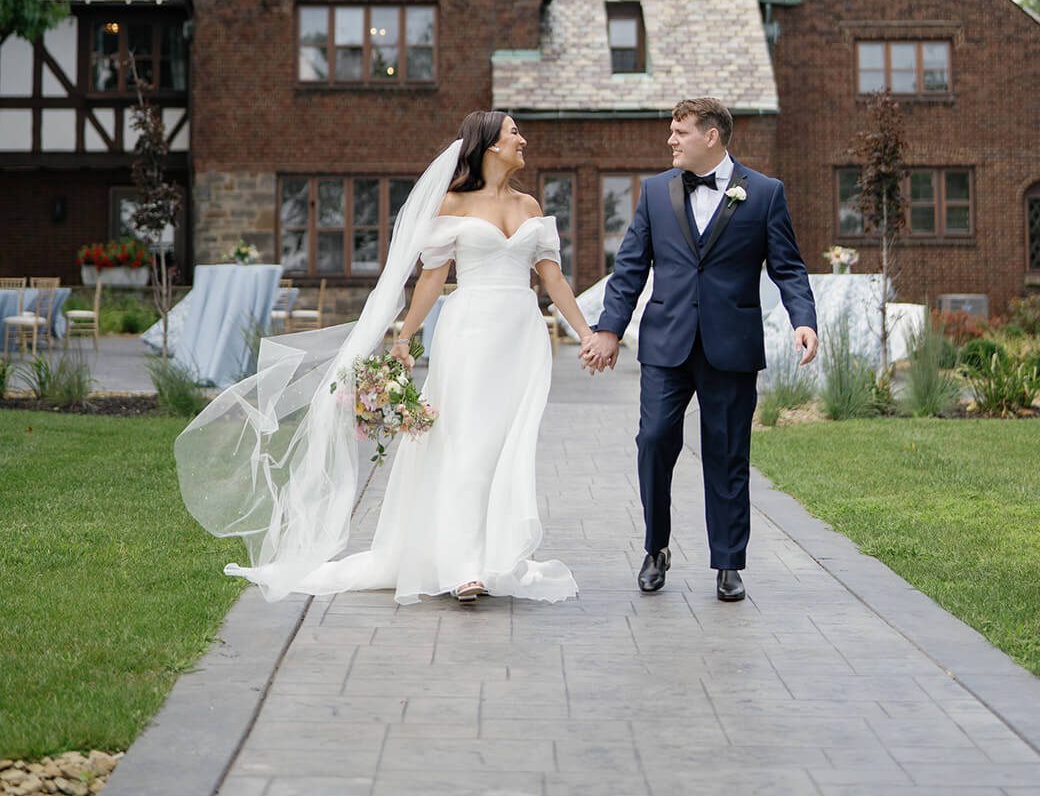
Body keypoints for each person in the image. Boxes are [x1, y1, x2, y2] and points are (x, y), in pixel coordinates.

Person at [176, 111, 591, 607]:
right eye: (513, 133)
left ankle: (488, 553)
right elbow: (432, 278)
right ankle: (463, 566)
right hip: (471, 333)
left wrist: (585, 332)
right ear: (488, 146)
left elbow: (552, 278)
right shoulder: (452, 204)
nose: (523, 139)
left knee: (505, 443)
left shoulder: (529, 205)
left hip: (521, 336)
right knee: (467, 442)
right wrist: (406, 336)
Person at [580, 97, 817, 603]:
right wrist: (609, 329)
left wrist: (804, 320)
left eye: (680, 131)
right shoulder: (654, 193)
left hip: (731, 345)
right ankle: (655, 547)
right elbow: (629, 268)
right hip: (667, 342)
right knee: (654, 441)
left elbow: (789, 267)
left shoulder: (765, 194)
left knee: (728, 453)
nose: (671, 139)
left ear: (711, 136)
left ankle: (729, 562)